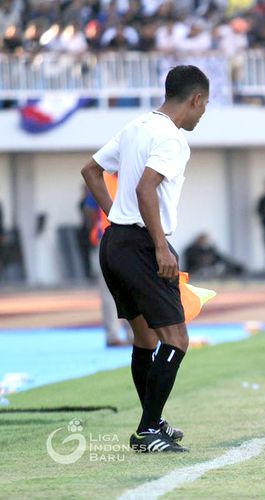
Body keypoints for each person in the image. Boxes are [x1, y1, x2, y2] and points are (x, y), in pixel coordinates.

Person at [80, 64, 210, 453]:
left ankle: (151, 423)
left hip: (115, 242)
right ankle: (150, 429)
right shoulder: (172, 138)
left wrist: (115, 216)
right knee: (177, 337)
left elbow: (90, 171)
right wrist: (159, 245)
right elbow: (145, 188)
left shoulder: (136, 126)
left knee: (145, 338)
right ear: (196, 99)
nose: (203, 114)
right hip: (139, 246)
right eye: (204, 107)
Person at [83, 178, 134, 347]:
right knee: (109, 292)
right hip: (105, 239)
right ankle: (113, 335)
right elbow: (89, 209)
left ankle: (133, 334)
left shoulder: (132, 176)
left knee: (130, 289)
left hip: (127, 241)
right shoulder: (102, 179)